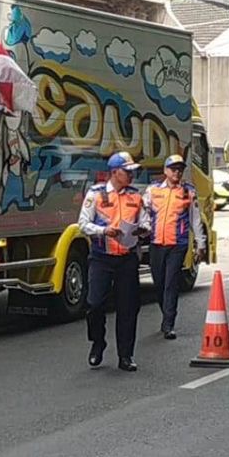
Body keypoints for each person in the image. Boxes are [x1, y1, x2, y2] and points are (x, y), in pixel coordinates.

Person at [79, 151, 150, 372]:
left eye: (132, 171)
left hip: (127, 258)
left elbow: (146, 224)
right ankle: (98, 342)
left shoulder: (136, 196)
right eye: (126, 171)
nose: (131, 175)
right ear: (114, 173)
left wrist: (141, 230)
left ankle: (126, 355)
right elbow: (82, 223)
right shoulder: (96, 194)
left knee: (128, 308)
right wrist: (103, 230)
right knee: (94, 303)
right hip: (101, 257)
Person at [143, 154, 206, 340]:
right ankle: (166, 312)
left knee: (171, 283)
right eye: (173, 169)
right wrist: (143, 228)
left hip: (178, 244)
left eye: (180, 169)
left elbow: (195, 219)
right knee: (159, 281)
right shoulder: (153, 190)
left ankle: (168, 323)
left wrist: (200, 244)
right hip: (156, 243)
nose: (177, 172)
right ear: (165, 171)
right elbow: (144, 212)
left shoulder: (188, 192)